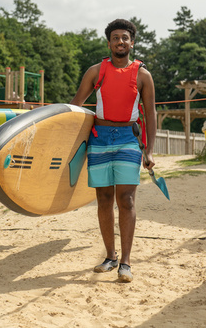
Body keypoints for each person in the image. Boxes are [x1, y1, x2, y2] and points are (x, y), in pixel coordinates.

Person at [70, 19, 157, 283]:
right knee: (104, 199)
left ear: (132, 43)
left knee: (126, 199)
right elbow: (76, 105)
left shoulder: (143, 75)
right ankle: (110, 256)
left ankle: (126, 262)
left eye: (125, 38)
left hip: (129, 140)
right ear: (109, 43)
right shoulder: (96, 72)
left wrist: (149, 151)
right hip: (99, 138)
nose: (120, 42)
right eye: (115, 38)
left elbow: (151, 114)